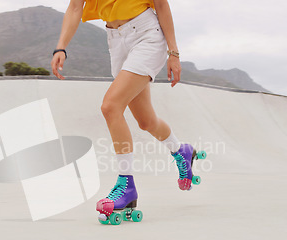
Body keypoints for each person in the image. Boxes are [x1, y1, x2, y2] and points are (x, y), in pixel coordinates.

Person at [51, 0, 199, 223]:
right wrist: (61, 46)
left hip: (146, 35)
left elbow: (160, 4)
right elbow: (75, 7)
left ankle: (126, 184)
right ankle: (181, 151)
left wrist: (173, 53)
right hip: (116, 41)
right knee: (146, 121)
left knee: (110, 106)